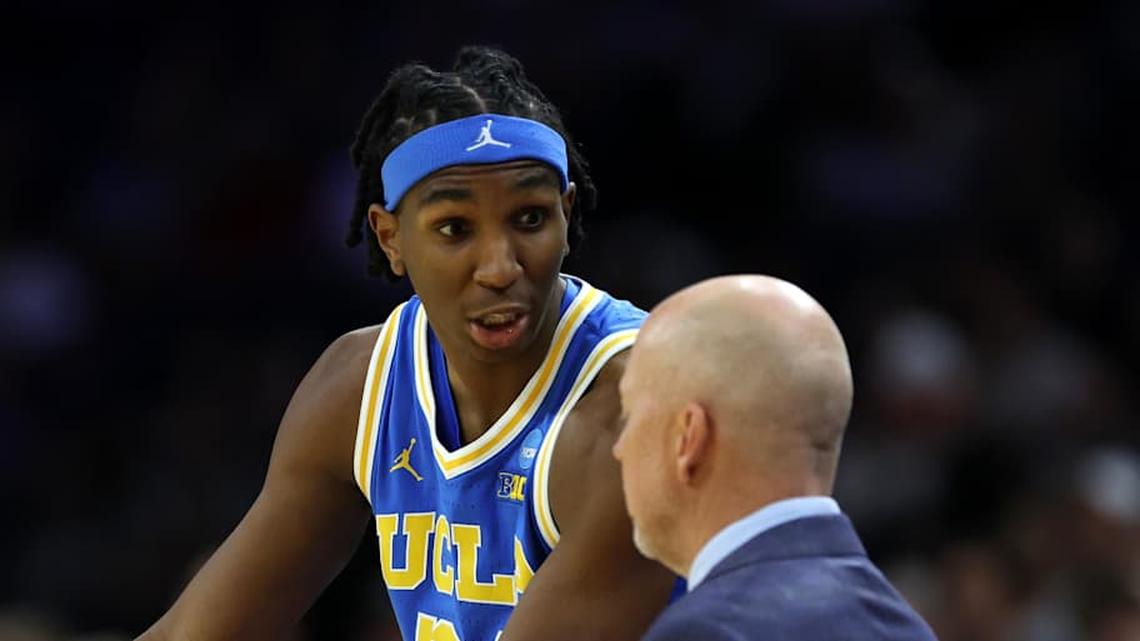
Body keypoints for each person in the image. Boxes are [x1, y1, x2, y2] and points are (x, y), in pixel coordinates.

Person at [137, 46, 676, 641]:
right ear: (390, 238)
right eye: (454, 228)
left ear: (565, 214)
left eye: (529, 218)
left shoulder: (630, 408)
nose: (499, 267)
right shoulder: (357, 386)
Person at [612, 275, 938, 641]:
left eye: (628, 413)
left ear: (688, 437)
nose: (619, 447)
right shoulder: (907, 629)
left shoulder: (703, 632)